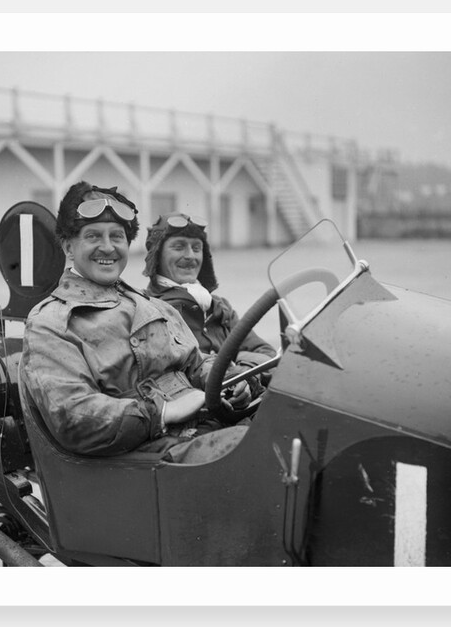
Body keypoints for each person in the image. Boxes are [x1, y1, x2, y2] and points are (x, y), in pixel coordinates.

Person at [20, 181, 250, 464]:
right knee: (257, 454)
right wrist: (163, 411)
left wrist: (228, 379)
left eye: (117, 237)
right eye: (93, 236)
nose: (108, 248)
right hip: (142, 458)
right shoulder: (51, 323)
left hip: (196, 433)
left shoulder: (154, 305)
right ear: (68, 246)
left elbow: (196, 362)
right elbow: (73, 415)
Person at [142, 212, 278, 388]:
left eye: (197, 248)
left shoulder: (219, 306)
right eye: (178, 247)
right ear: (157, 255)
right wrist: (240, 368)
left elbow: (266, 352)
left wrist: (244, 373)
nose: (190, 256)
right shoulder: (151, 311)